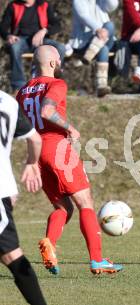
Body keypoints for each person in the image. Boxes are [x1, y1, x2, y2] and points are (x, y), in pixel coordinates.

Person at [16, 45, 123, 275]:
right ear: (54, 63)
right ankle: (97, 260)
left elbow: (21, 126)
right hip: (57, 147)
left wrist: (31, 160)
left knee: (63, 207)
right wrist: (70, 128)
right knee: (85, 202)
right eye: (60, 60)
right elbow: (46, 111)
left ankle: (50, 245)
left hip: (37, 152)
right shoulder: (56, 84)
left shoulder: (23, 91)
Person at [0, 89, 47, 305]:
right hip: (3, 189)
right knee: (11, 255)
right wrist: (30, 163)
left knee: (11, 255)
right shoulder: (8, 101)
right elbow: (35, 139)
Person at [0, 0, 65, 92]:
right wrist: (8, 36)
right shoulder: (13, 5)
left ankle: (52, 82)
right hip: (21, 40)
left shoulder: (44, 5)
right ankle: (19, 86)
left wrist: (44, 31)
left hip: (42, 41)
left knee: (60, 48)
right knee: (15, 47)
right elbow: (2, 26)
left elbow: (57, 25)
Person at [70, 0, 118, 97]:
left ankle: (90, 54)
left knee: (110, 25)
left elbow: (112, 5)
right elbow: (84, 16)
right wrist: (98, 29)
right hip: (84, 42)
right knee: (103, 48)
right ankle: (101, 86)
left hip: (103, 39)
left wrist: (101, 32)